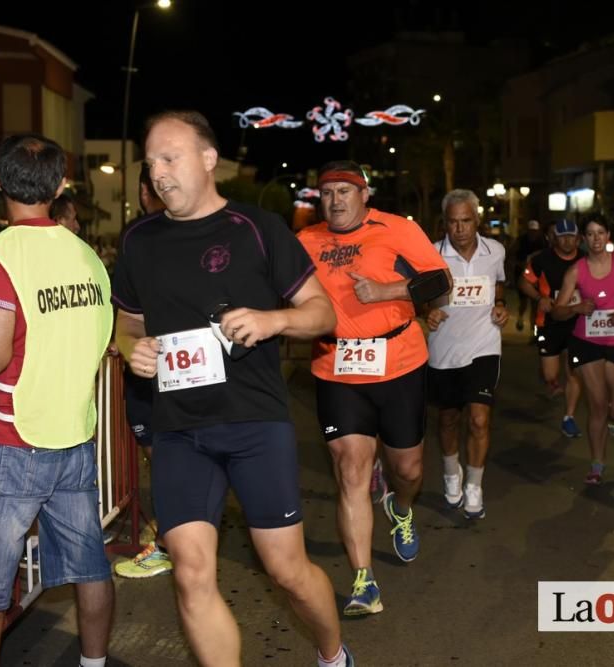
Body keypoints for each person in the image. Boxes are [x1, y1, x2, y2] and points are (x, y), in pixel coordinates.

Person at [112, 110, 352, 667]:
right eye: (150, 163)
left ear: (208, 158)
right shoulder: (140, 240)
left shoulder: (257, 229)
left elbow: (322, 313)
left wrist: (274, 321)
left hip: (253, 423)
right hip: (177, 430)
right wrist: (132, 350)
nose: (159, 174)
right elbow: (128, 325)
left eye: (170, 158)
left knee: (286, 571)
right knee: (192, 575)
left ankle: (334, 653)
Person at [0, 133, 114, 667]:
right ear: (61, 184)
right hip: (75, 436)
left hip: (12, 439)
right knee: (89, 567)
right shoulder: (87, 256)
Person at [297, 160, 449, 617]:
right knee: (351, 472)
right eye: (327, 193)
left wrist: (387, 292)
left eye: (345, 191)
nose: (336, 200)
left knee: (407, 468)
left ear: (365, 196)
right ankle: (364, 581)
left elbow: (441, 281)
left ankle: (401, 508)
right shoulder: (305, 243)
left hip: (399, 362)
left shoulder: (398, 229)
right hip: (336, 367)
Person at [426, 189, 508, 519]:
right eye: (453, 222)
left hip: (484, 344)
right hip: (444, 348)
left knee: (478, 418)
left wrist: (500, 304)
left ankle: (474, 484)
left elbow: (498, 284)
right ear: (444, 223)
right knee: (448, 419)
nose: (460, 229)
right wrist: (426, 312)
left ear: (477, 220)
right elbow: (417, 296)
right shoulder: (430, 254)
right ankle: (451, 475)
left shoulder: (496, 251)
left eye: (466, 221)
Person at [114, 167, 174, 579]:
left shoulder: (188, 233)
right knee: (166, 461)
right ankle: (174, 541)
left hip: (180, 373)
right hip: (144, 372)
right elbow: (126, 314)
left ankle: (174, 544)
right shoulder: (136, 238)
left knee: (175, 462)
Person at [552, 214, 614, 485]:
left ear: (608, 236)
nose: (596, 239)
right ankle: (597, 464)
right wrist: (575, 309)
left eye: (600, 233)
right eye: (590, 234)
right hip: (586, 342)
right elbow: (557, 311)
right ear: (583, 239)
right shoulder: (576, 271)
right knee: (598, 405)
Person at [518, 218, 585, 438]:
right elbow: (524, 282)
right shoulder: (542, 259)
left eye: (571, 236)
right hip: (548, 323)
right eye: (562, 236)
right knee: (550, 374)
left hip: (577, 323)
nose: (567, 241)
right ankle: (550, 381)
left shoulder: (586, 259)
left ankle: (569, 417)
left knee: (574, 370)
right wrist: (540, 298)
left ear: (578, 238)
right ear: (555, 238)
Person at [508, 219, 545, 332]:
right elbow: (511, 255)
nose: (533, 233)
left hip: (537, 275)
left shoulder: (542, 241)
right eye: (531, 231)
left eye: (535, 231)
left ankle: (533, 332)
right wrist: (518, 266)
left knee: (535, 303)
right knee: (523, 301)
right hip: (522, 274)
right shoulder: (521, 241)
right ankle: (520, 318)